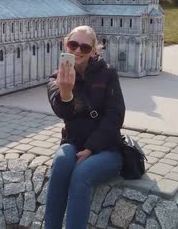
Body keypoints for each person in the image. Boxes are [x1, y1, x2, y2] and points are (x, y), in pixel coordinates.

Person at [45, 25, 126, 228]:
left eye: (85, 47)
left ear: (94, 51)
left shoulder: (108, 74)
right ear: (66, 45)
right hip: (73, 143)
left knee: (82, 174)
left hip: (107, 148)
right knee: (62, 163)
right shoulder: (57, 78)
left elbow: (115, 115)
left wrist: (91, 147)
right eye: (73, 45)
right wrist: (66, 92)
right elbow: (62, 112)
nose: (78, 51)